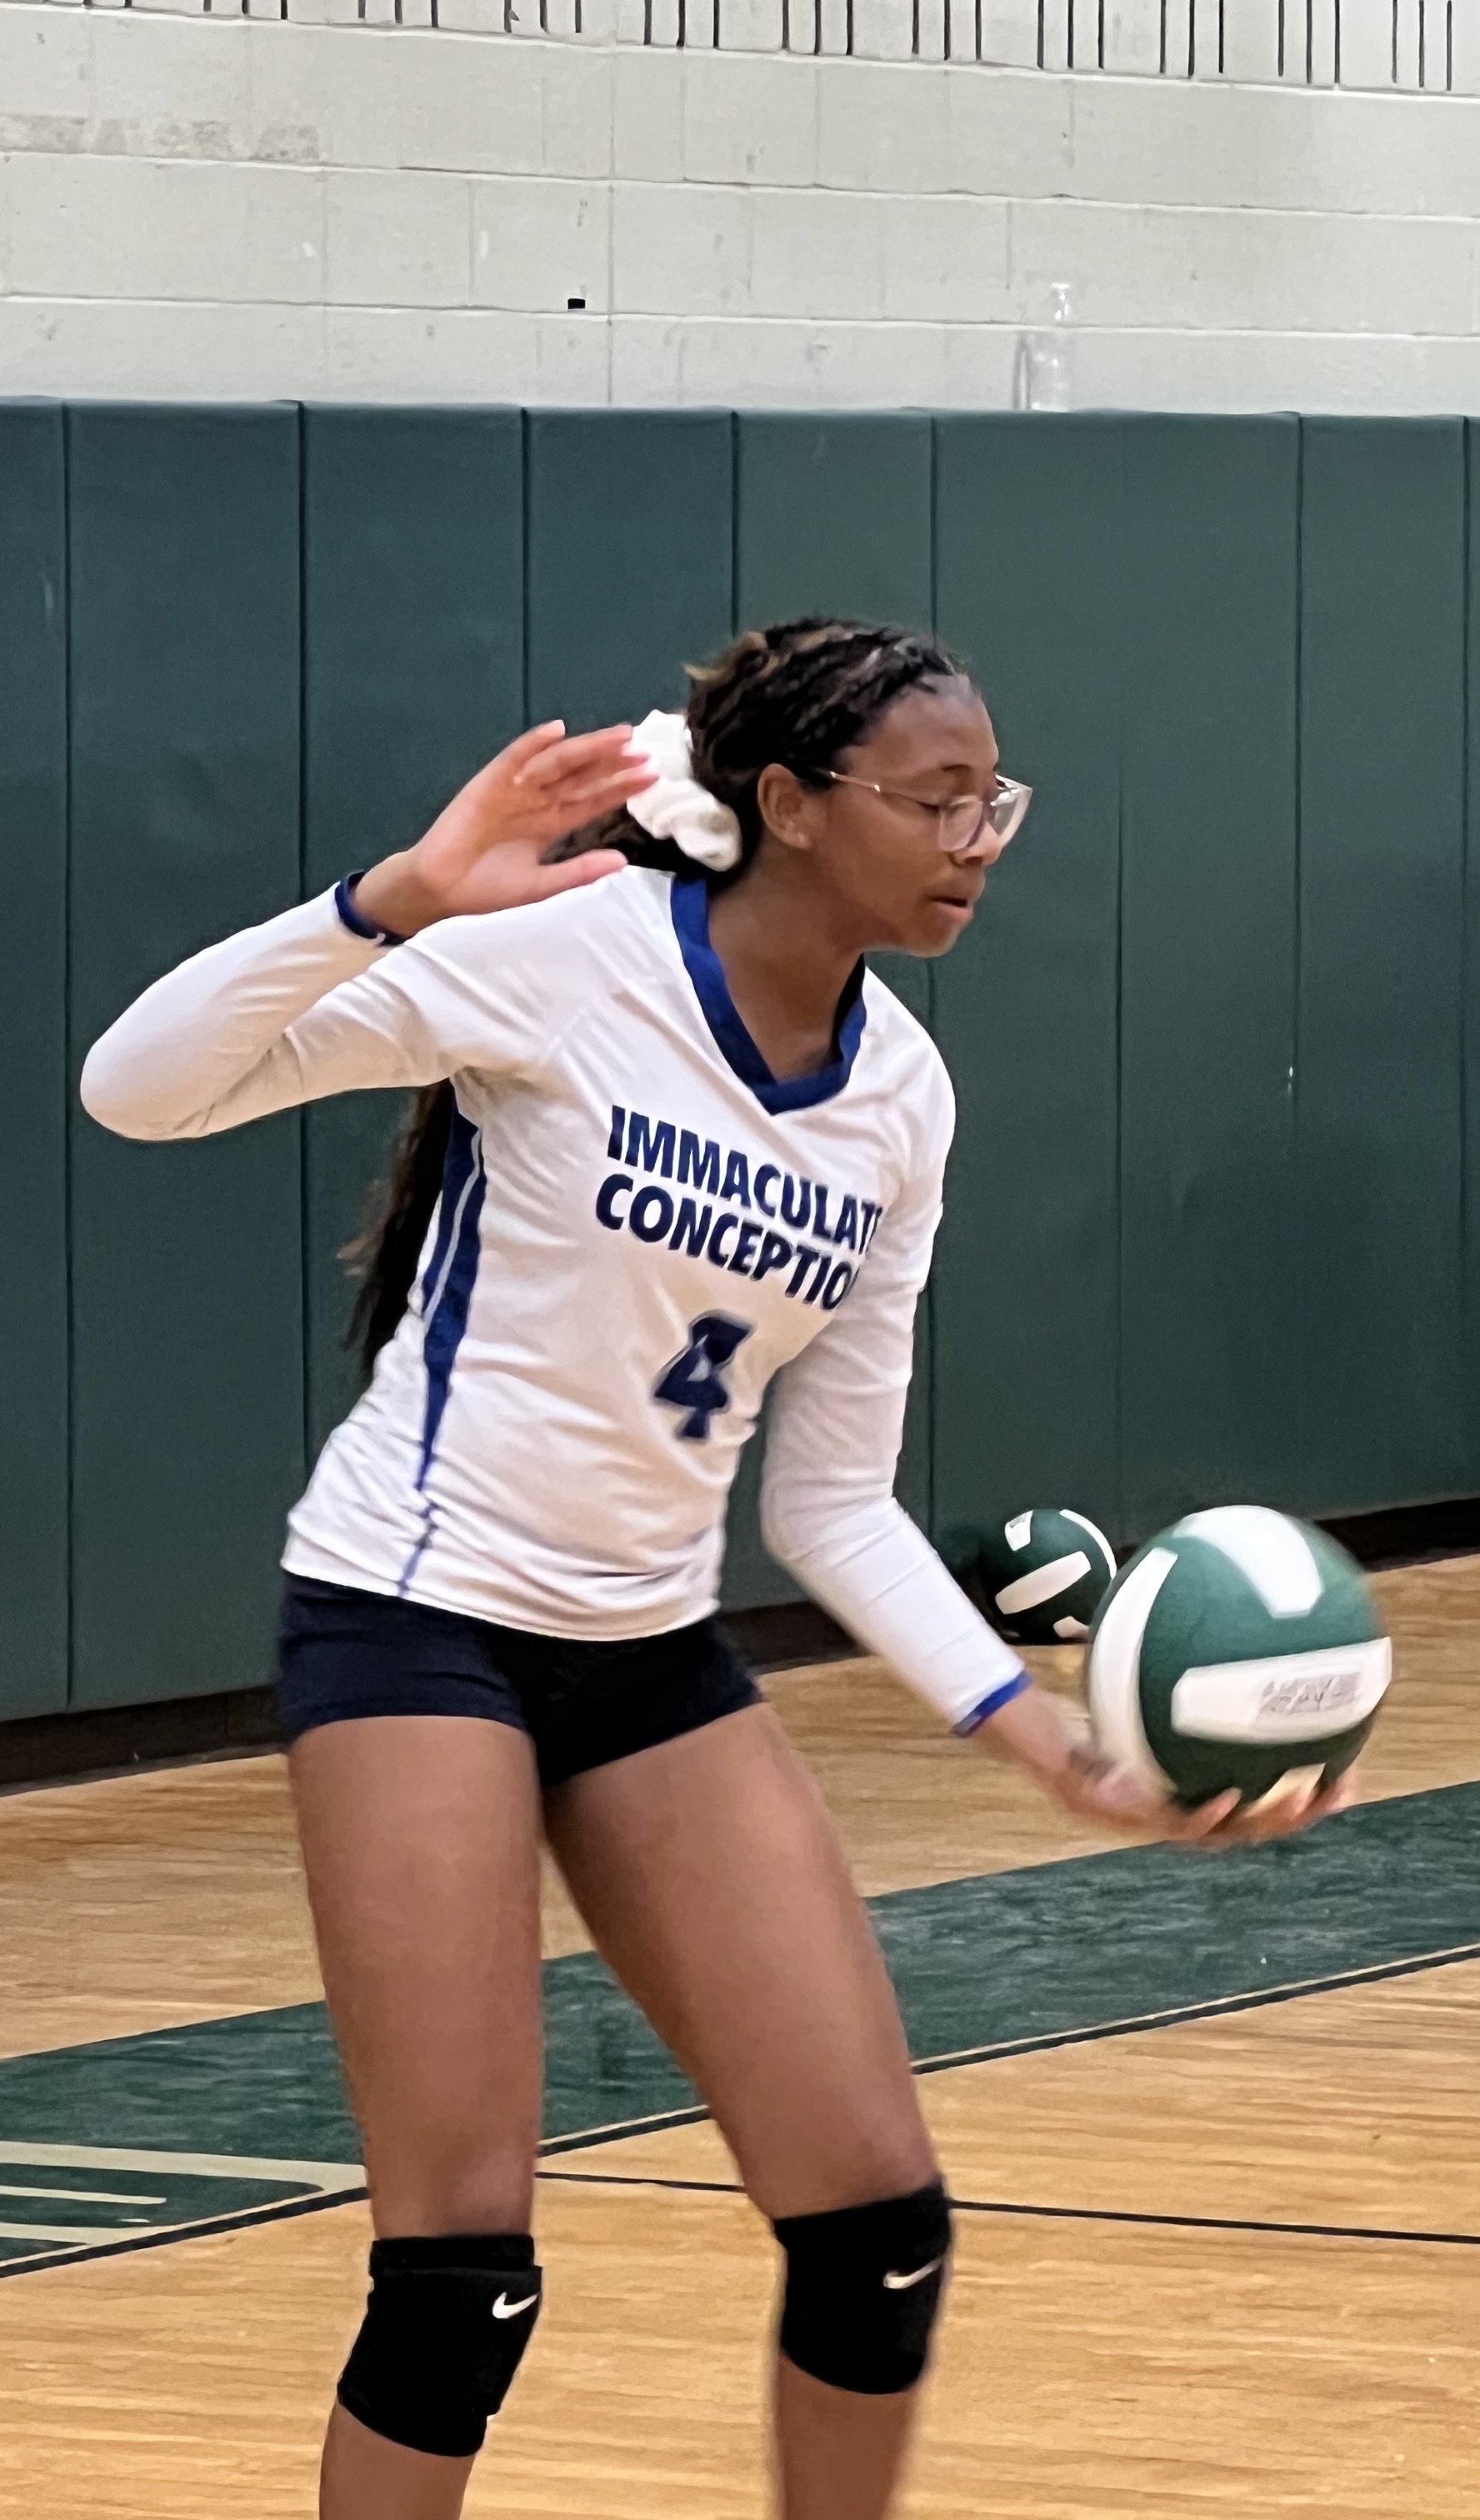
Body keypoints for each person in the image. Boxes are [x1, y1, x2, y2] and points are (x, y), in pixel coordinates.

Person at [79, 619, 1348, 2520]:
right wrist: (395, 898)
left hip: (646, 1651)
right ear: (790, 804)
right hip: (418, 1622)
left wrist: (1044, 1742)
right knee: (459, 2277)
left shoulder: (900, 1096)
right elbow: (139, 1086)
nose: (975, 841)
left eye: (991, 803)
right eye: (933, 800)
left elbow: (830, 1501)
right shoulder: (566, 957)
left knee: (880, 2233)